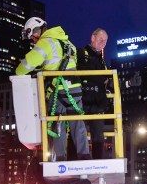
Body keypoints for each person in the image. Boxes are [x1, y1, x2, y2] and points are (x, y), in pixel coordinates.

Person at [15, 17, 91, 161]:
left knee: (58, 126)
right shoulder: (67, 42)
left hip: (57, 90)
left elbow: (22, 69)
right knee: (78, 124)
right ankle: (84, 156)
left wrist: (23, 68)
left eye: (32, 37)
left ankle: (60, 158)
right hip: (74, 88)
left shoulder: (45, 43)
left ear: (36, 31)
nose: (33, 40)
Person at [76, 28, 109, 159]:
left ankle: (98, 164)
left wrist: (128, 83)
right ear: (93, 38)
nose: (103, 43)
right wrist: (101, 79)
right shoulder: (80, 53)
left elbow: (109, 81)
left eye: (105, 41)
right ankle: (76, 163)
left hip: (97, 103)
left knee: (98, 136)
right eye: (101, 39)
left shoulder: (102, 62)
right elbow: (81, 75)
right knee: (77, 133)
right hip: (82, 101)